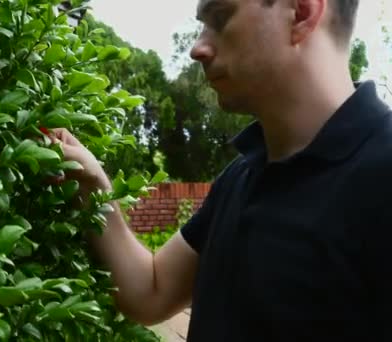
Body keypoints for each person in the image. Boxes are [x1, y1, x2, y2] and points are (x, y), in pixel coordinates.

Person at [53, 0, 392, 340]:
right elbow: (152, 293)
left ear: (301, 12)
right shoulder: (242, 174)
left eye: (221, 17)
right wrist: (92, 186)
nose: (197, 49)